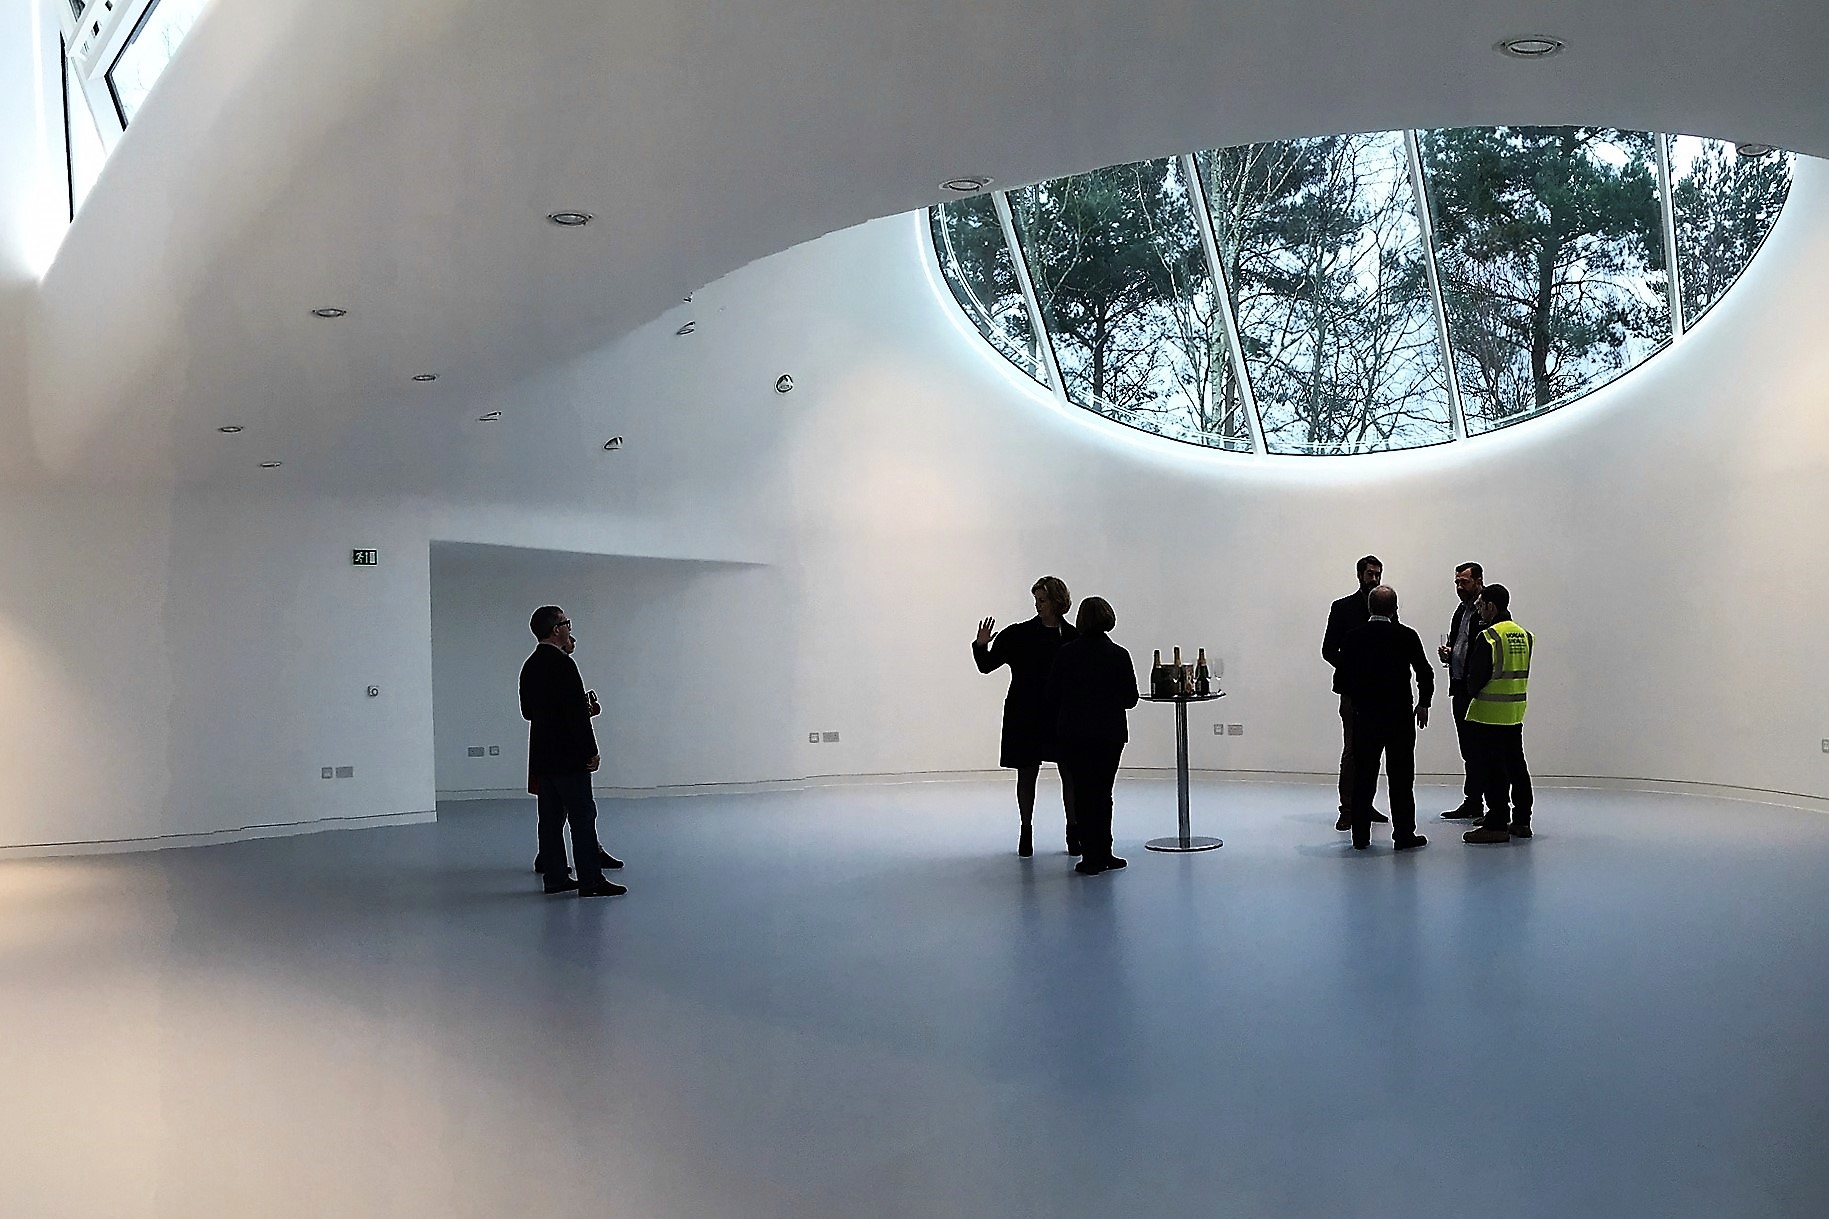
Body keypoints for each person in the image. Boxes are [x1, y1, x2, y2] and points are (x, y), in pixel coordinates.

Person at [520, 605, 624, 896]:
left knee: (550, 821)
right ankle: (591, 880)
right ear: (556, 629)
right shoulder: (564, 665)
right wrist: (591, 751)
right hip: (568, 756)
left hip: (543, 756)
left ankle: (555, 878)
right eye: (566, 623)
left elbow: (528, 712)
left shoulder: (530, 665)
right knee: (582, 817)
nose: (569, 627)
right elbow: (576, 718)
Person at [974, 576, 1079, 857]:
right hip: (1027, 714)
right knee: (1028, 772)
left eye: (1043, 600)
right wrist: (981, 645)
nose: (1038, 605)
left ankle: (1073, 831)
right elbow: (987, 666)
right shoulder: (1019, 635)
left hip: (1056, 714)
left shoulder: (1072, 638)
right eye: (1036, 600)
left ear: (1057, 602)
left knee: (1069, 773)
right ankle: (1026, 830)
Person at [1044, 597, 1139, 876]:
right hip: (1110, 734)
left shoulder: (1066, 654)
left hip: (1074, 733)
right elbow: (1130, 699)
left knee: (1084, 793)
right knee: (1103, 793)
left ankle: (1091, 856)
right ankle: (1105, 851)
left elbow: (1051, 695)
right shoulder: (1119, 655)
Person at [1336, 585, 1433, 851]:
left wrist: (1355, 699)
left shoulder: (1353, 637)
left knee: (1364, 776)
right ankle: (1403, 834)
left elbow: (1341, 679)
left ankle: (1360, 837)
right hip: (1399, 717)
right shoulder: (1406, 635)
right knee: (1401, 778)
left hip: (1365, 716)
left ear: (1369, 608)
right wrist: (1424, 702)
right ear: (1395, 609)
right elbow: (1425, 672)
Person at [1461, 584, 1535, 845]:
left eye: (1481, 606)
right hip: (1514, 712)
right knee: (1517, 766)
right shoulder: (1525, 635)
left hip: (1489, 714)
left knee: (1493, 771)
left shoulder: (1489, 637)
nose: (1480, 611)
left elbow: (1476, 679)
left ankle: (1496, 823)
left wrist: (1468, 689)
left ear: (1491, 606)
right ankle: (1522, 819)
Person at [1322, 555, 1392, 831]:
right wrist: (1353, 668)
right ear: (1360, 574)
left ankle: (1365, 804)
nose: (1374, 579)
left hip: (1379, 692)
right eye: (1370, 574)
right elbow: (1328, 649)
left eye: (1378, 574)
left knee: (1372, 751)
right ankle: (1348, 809)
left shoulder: (1386, 607)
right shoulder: (1342, 608)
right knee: (1352, 750)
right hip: (1353, 691)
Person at [1438, 561, 1486, 821]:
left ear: (1478, 581)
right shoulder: (1461, 611)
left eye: (1464, 582)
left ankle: (1492, 805)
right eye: (1456, 582)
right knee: (1468, 749)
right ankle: (1473, 801)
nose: (1459, 587)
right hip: (1459, 688)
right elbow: (1460, 642)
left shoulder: (1487, 610)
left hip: (1478, 691)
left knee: (1482, 749)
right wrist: (1450, 654)